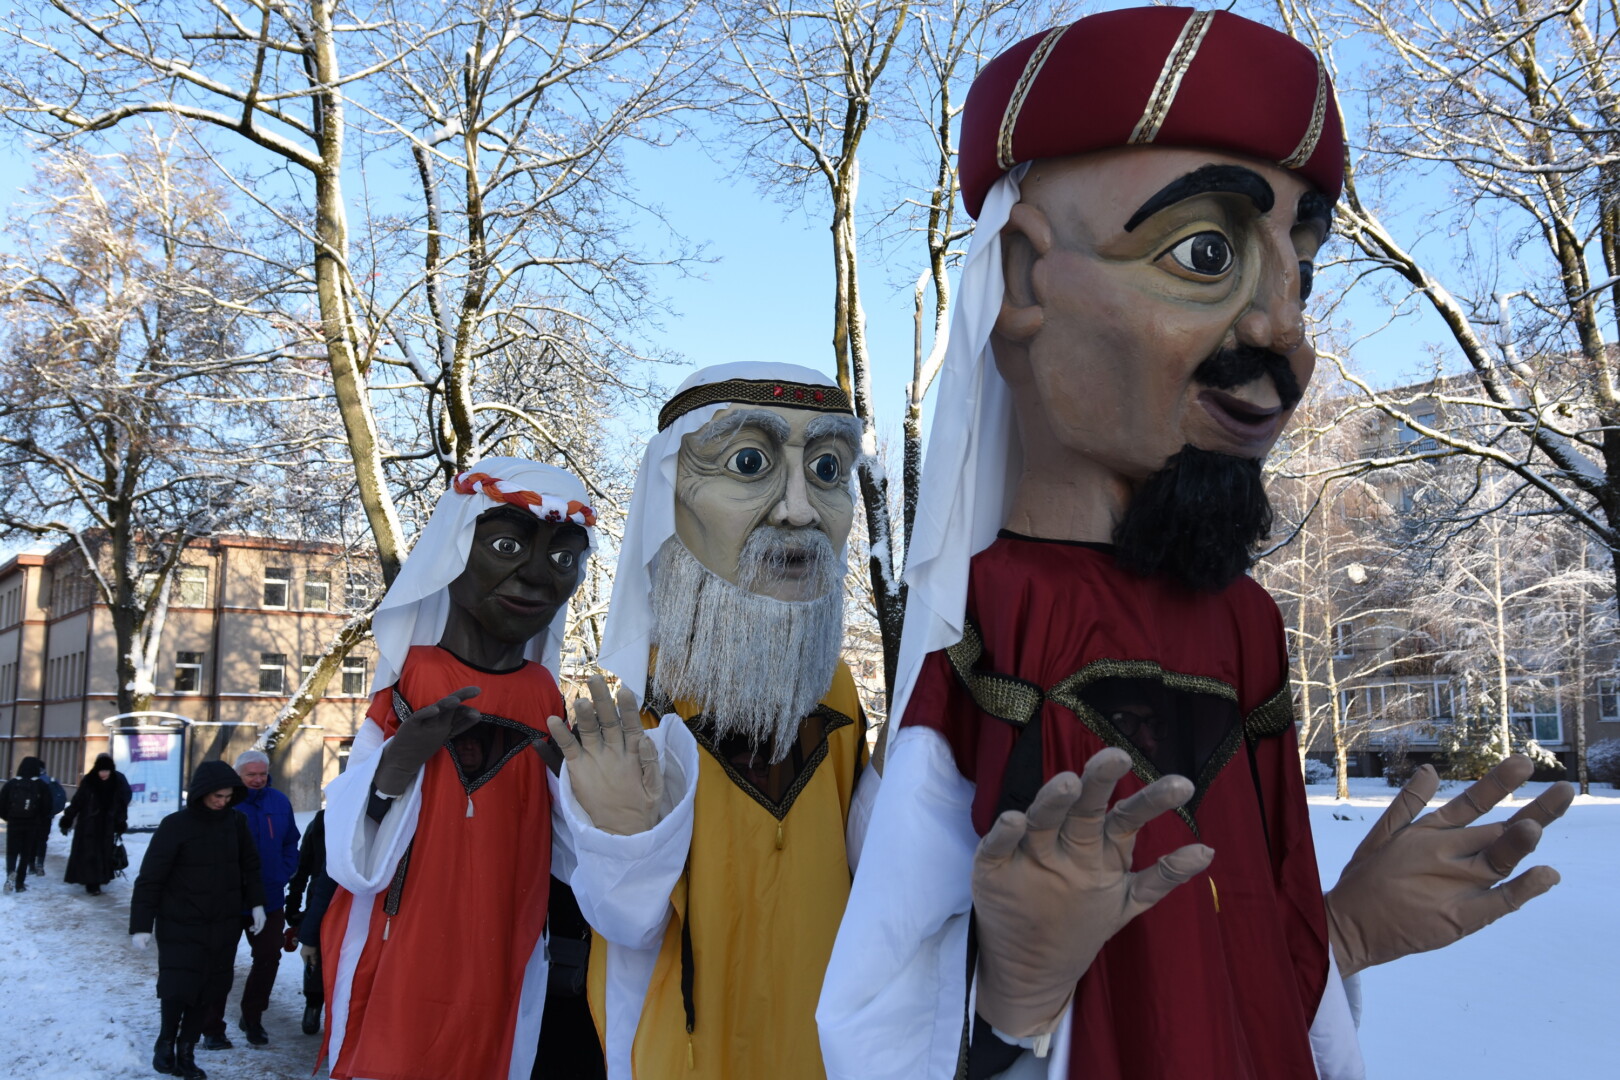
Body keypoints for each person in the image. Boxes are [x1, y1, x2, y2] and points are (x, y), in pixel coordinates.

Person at [816, 9, 1574, 1080]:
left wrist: (1342, 932)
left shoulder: (1246, 627)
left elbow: (1248, 947)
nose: (1285, 335)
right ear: (1024, 281)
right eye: (1205, 255)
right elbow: (880, 1010)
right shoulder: (989, 624)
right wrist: (1014, 1002)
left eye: (1299, 271)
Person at [552, 362, 876, 1079]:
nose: (799, 511)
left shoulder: (838, 692)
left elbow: (871, 874)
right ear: (670, 495)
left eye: (827, 469)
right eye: (749, 464)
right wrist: (624, 836)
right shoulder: (636, 706)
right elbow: (627, 923)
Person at [320, 458, 600, 1080]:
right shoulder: (415, 677)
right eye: (506, 547)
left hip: (506, 937)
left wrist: (587, 792)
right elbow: (348, 845)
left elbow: (571, 853)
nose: (537, 576)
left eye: (563, 558)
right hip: (409, 935)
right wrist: (398, 761)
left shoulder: (543, 696)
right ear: (455, 549)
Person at [130, 760, 267, 1080]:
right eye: (217, 796)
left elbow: (250, 866)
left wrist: (257, 903)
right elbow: (150, 877)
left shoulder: (236, 822)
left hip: (223, 922)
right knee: (179, 985)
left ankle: (187, 1050)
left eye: (228, 797)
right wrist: (141, 924)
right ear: (202, 792)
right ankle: (166, 1042)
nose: (222, 802)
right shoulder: (175, 825)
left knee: (210, 988)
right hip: (180, 920)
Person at [198, 749, 299, 1049]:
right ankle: (212, 1028)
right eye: (251, 775)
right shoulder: (224, 803)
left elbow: (290, 842)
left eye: (262, 774)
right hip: (227, 900)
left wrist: (282, 872)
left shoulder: (279, 802)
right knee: (219, 963)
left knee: (268, 957)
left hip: (269, 898)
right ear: (238, 775)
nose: (257, 779)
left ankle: (253, 1017)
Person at [61, 752, 131, 895]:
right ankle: (91, 884)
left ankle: (97, 881)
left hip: (106, 826)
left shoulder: (116, 782)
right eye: (101, 771)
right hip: (88, 825)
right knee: (89, 854)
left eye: (106, 771)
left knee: (102, 855)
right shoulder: (89, 781)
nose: (103, 774)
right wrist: (67, 818)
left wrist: (120, 822)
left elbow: (121, 805)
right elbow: (77, 801)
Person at [285, 808, 327, 1036]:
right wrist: (293, 903)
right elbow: (302, 867)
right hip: (319, 896)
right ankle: (313, 1004)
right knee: (315, 951)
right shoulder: (321, 821)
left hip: (358, 899)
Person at [1, 756, 52, 893]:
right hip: (31, 823)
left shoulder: (11, 784)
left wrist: (8, 817)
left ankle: (10, 873)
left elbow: (2, 804)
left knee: (12, 851)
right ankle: (20, 883)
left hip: (14, 822)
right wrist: (38, 818)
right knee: (26, 853)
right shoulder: (41, 785)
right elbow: (47, 806)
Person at [31, 757, 68, 876]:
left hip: (31, 817)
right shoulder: (51, 781)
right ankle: (40, 864)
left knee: (30, 840)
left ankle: (30, 865)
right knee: (42, 840)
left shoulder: (31, 780)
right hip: (46, 817)